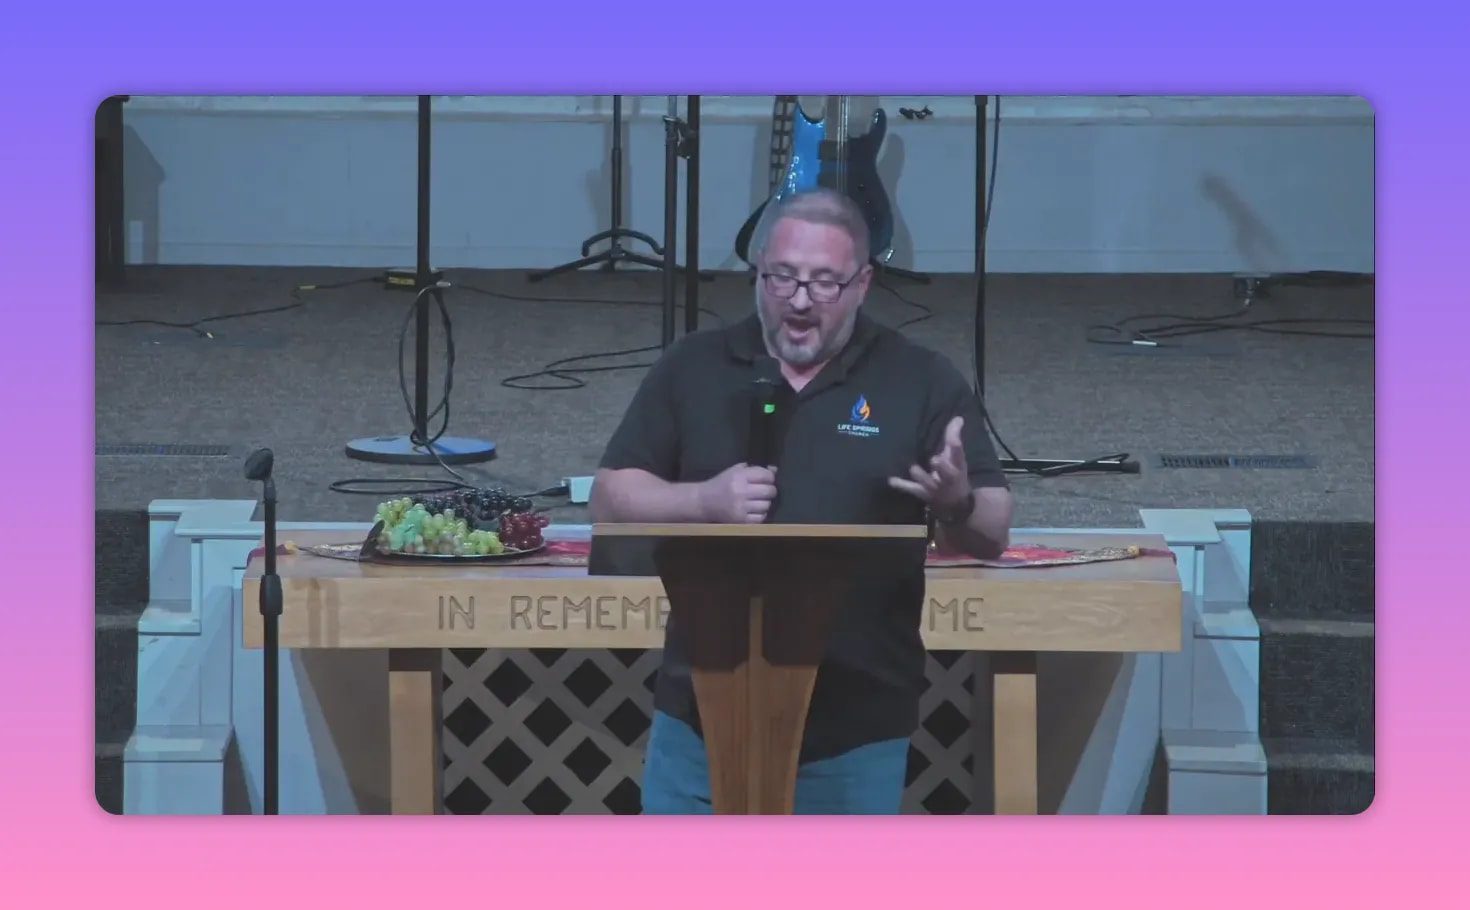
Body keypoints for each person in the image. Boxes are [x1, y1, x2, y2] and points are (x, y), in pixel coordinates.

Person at [589, 187, 1015, 814]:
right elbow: (610, 495)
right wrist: (702, 502)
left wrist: (954, 502)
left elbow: (995, 527)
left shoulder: (917, 379)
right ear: (758, 271)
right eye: (780, 278)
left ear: (863, 284)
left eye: (823, 283)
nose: (798, 301)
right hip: (701, 717)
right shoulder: (695, 365)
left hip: (854, 727)